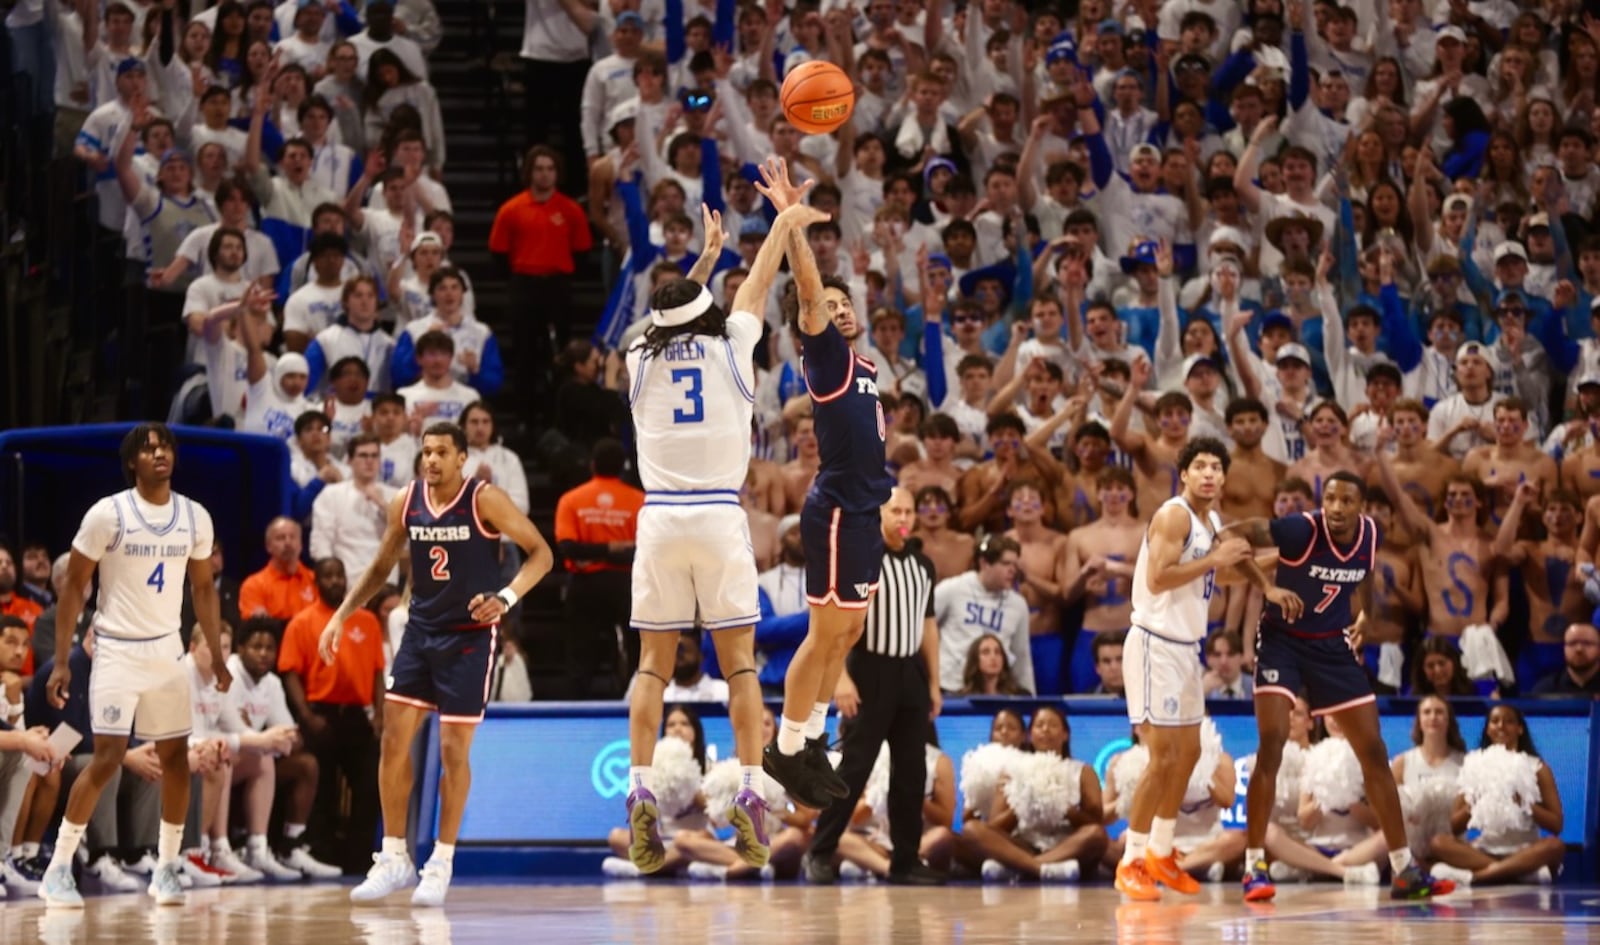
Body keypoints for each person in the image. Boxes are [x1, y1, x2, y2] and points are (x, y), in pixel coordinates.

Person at [621, 198, 817, 874]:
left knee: (651, 663)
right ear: (706, 307)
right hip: (717, 514)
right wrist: (785, 222)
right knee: (738, 664)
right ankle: (752, 794)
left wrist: (701, 262)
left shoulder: (636, 358)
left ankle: (640, 784)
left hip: (661, 516)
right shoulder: (733, 342)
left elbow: (664, 315)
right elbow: (757, 282)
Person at [318, 422, 554, 907]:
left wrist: (506, 598)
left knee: (451, 750)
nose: (431, 460)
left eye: (441, 452)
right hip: (420, 633)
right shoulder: (405, 501)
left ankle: (442, 860)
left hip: (469, 638)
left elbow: (542, 554)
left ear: (462, 457)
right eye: (426, 452)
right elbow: (382, 566)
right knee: (392, 742)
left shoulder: (484, 498)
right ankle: (393, 855)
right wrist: (341, 615)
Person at [1227, 470, 1455, 902]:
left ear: (1361, 506)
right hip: (1282, 643)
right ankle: (1254, 865)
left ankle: (1405, 870)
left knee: (1374, 752)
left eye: (1345, 500)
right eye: (1329, 498)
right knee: (1272, 745)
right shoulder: (1300, 529)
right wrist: (1266, 588)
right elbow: (1234, 538)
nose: (1335, 507)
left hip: (1332, 646)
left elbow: (1365, 573)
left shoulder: (1371, 533)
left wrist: (1365, 614)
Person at [37, 424, 232, 908]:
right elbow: (73, 588)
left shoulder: (194, 517)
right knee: (107, 758)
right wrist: (62, 661)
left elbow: (203, 590)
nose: (158, 453)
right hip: (117, 649)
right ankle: (59, 867)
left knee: (175, 760)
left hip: (166, 649)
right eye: (147, 449)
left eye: (164, 446)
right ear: (131, 463)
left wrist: (218, 654)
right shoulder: (109, 514)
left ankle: (166, 866)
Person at [758, 159, 896, 811]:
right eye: (829, 306)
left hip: (866, 511)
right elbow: (808, 294)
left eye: (846, 304)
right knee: (823, 634)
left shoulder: (867, 364)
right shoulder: (827, 356)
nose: (837, 310)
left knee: (844, 636)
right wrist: (792, 226)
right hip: (838, 510)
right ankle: (787, 746)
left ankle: (809, 738)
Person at [1114, 437, 1255, 901]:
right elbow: (1159, 577)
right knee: (1163, 758)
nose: (1210, 473)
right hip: (1155, 643)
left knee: (1191, 753)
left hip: (1185, 648)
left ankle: (1160, 851)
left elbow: (1220, 575)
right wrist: (1216, 558)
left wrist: (1277, 566)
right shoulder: (1175, 515)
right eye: (1201, 465)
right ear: (1185, 474)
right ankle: (1131, 860)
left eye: (1217, 466)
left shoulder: (1209, 520)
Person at [804, 487, 945, 886]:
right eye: (895, 509)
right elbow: (835, 627)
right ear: (879, 514)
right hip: (866, 671)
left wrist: (934, 683)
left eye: (908, 510)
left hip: (909, 674)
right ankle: (819, 851)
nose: (903, 516)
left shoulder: (923, 565)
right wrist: (841, 679)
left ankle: (905, 859)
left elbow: (928, 626)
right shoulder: (861, 559)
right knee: (853, 769)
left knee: (912, 773)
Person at [279, 558, 386, 875]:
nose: (336, 580)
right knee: (322, 788)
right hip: (320, 715)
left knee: (369, 787)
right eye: (329, 575)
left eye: (340, 574)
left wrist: (380, 715)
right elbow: (289, 672)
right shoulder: (303, 622)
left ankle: (361, 857)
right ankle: (321, 853)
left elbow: (379, 672)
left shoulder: (367, 621)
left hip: (357, 717)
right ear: (317, 582)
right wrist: (306, 715)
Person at [1429, 705, 1568, 887]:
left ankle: (1478, 877)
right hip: (1484, 851)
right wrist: (1473, 805)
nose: (1501, 726)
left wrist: (1526, 805)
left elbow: (1556, 825)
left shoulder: (1539, 768)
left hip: (1525, 850)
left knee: (1554, 846)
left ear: (1520, 729)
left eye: (1509, 721)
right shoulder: (1473, 765)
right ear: (1488, 729)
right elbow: (1454, 827)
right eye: (1495, 721)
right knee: (1438, 842)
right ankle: (1518, 872)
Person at [553, 437, 642, 700]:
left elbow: (569, 548)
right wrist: (616, 549)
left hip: (586, 583)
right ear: (623, 467)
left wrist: (593, 553)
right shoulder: (640, 500)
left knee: (581, 654)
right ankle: (635, 701)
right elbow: (644, 549)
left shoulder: (571, 500)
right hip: (626, 584)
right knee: (636, 650)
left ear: (592, 465)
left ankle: (576, 711)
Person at [1061, 468, 1144, 694]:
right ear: (1098, 495)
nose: (1114, 494)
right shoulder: (1079, 536)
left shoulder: (1146, 531)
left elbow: (1158, 580)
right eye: (1108, 489)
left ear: (1132, 494)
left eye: (1121, 489)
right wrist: (1085, 574)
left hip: (1132, 627)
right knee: (1084, 699)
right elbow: (1067, 594)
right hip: (1092, 628)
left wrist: (1118, 569)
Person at [934, 535, 1033, 695]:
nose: (1013, 570)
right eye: (1006, 563)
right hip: (950, 686)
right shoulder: (951, 590)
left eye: (1015, 564)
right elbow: (921, 629)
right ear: (984, 563)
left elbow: (1022, 657)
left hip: (995, 691)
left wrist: (1029, 698)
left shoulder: (1018, 604)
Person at [239, 517, 318, 621]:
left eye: (292, 537)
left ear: (301, 545)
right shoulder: (254, 585)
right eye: (280, 538)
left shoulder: (316, 581)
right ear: (268, 546)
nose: (288, 543)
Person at [1530, 623, 1600, 697]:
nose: (1579, 649)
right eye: (1572, 643)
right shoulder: (1545, 690)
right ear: (1564, 649)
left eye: (1587, 643)